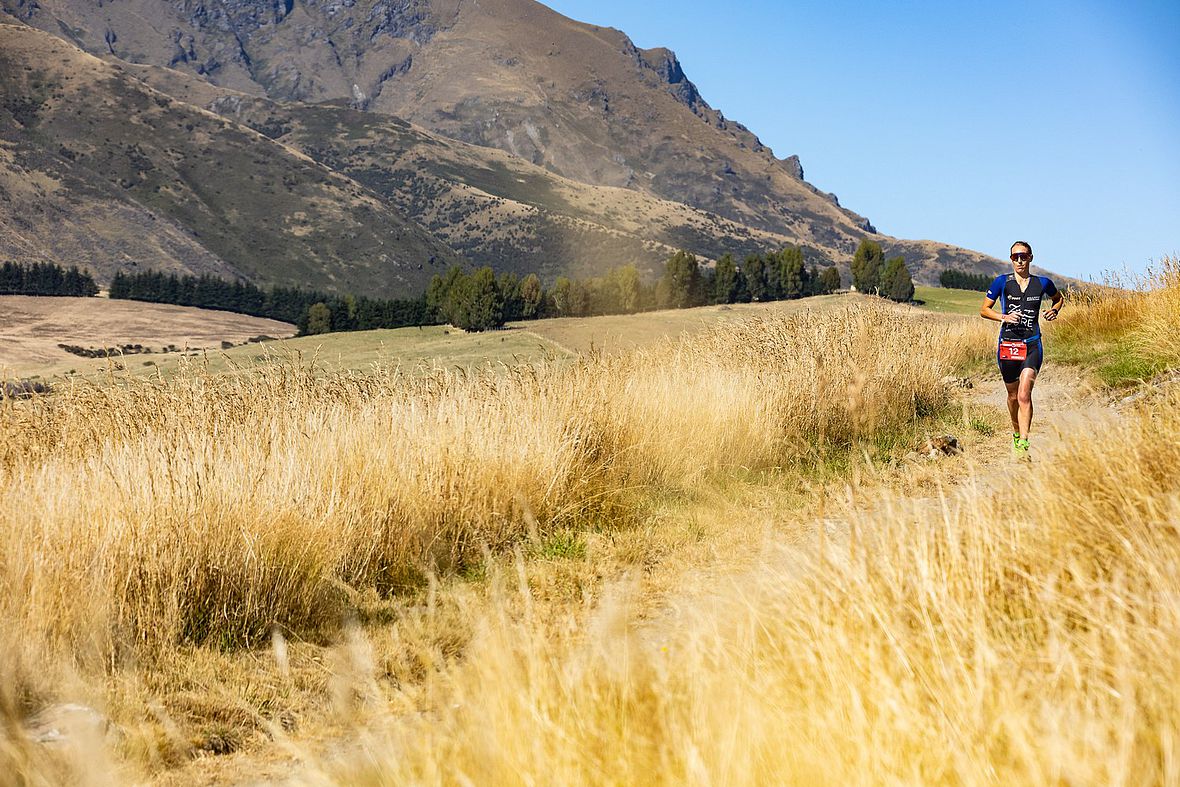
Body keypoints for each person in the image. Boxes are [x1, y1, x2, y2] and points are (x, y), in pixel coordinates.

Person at [980, 241, 1064, 459]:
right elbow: (984, 310)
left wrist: (1054, 310)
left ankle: (1024, 444)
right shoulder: (1002, 282)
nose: (1019, 260)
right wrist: (1004, 317)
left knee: (1024, 394)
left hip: (1032, 344)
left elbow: (1058, 298)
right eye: (1015, 257)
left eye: (1023, 256)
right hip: (1008, 345)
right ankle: (1016, 432)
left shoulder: (1042, 283)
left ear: (1030, 258)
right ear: (1011, 259)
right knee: (1013, 396)